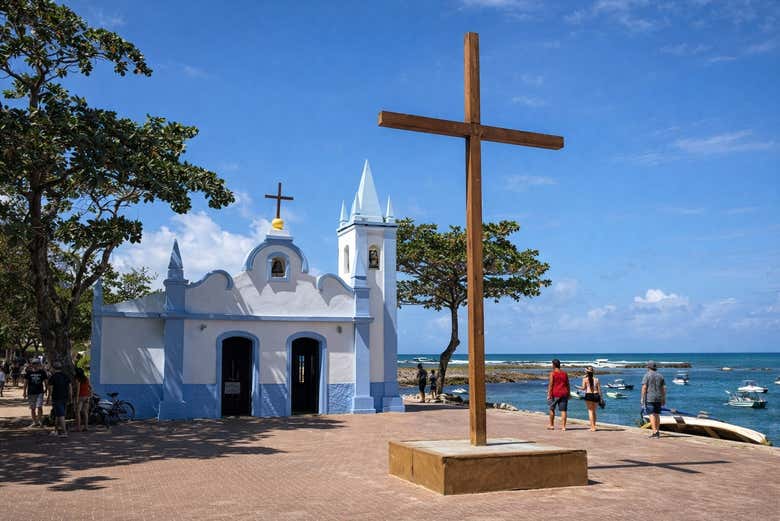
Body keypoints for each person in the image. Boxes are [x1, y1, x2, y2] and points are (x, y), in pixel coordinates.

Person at [641, 360, 666, 438]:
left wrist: (642, 398)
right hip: (659, 397)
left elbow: (644, 387)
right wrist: (663, 398)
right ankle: (657, 431)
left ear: (648, 367)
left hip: (650, 398)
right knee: (657, 415)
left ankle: (654, 432)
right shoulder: (660, 376)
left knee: (651, 415)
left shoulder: (647, 375)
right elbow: (663, 388)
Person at [49, 361, 72, 437]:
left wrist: (49, 398)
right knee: (57, 414)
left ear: (53, 368)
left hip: (56, 398)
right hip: (65, 397)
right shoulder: (66, 376)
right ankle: (56, 430)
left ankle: (64, 432)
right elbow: (70, 387)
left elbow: (51, 389)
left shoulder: (52, 377)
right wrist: (70, 397)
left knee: (61, 415)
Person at [546, 359, 570, 431]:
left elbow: (551, 384)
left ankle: (551, 425)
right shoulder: (564, 373)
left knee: (552, 409)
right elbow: (567, 384)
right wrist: (568, 393)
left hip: (555, 393)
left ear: (553, 365)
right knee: (563, 411)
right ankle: (563, 427)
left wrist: (549, 394)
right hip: (564, 393)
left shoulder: (552, 373)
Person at [22, 360, 47, 427]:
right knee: (32, 408)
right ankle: (34, 422)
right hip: (31, 392)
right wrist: (24, 392)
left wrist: (46, 389)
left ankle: (40, 421)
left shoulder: (42, 372)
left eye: (36, 364)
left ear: (39, 364)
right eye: (33, 363)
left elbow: (45, 381)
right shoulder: (28, 373)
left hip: (40, 392)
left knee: (39, 407)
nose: (35, 365)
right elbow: (25, 383)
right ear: (31, 364)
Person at [581, 366, 601, 432]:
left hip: (589, 395)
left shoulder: (585, 379)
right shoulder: (597, 379)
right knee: (594, 412)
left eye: (585, 371)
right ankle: (594, 426)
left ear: (587, 372)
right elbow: (599, 390)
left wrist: (578, 387)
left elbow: (583, 388)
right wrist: (601, 398)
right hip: (596, 395)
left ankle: (592, 427)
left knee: (590, 411)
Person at [74, 367, 91, 432]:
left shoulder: (78, 379)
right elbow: (90, 387)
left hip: (81, 396)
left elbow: (78, 389)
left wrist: (76, 399)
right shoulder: (86, 378)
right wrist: (90, 395)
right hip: (87, 396)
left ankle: (78, 427)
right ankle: (86, 427)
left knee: (77, 412)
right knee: (85, 412)